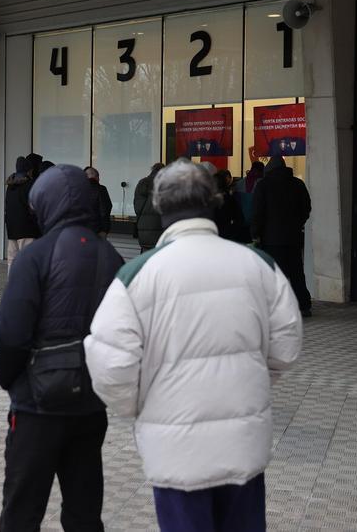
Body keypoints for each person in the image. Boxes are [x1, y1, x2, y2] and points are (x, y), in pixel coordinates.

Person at [84, 159, 302, 532]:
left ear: (160, 205)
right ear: (214, 202)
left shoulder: (136, 276)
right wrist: (250, 380)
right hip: (243, 446)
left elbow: (110, 365)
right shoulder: (258, 265)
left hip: (175, 451)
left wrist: (139, 406)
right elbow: (285, 346)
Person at [0, 164, 124, 531]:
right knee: (84, 511)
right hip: (90, 403)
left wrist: (12, 382)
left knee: (22, 509)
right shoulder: (110, 256)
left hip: (37, 404)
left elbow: (10, 332)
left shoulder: (35, 257)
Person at [251, 155, 313, 317]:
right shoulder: (298, 184)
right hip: (293, 237)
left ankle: (276, 306)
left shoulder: (263, 185)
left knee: (274, 274)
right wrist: (298, 224)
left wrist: (256, 233)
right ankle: (303, 305)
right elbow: (306, 208)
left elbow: (258, 212)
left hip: (271, 239)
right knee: (296, 272)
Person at [4, 156, 40, 267]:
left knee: (12, 260)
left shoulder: (10, 186)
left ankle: (12, 283)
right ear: (29, 170)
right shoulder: (30, 185)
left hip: (12, 228)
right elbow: (34, 207)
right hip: (27, 228)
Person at [133, 163, 163, 252]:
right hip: (160, 228)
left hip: (143, 227)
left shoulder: (142, 182)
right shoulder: (164, 184)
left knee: (145, 255)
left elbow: (137, 207)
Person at [213, 170, 247, 243]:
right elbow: (240, 219)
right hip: (227, 236)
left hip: (212, 236)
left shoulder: (206, 201)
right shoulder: (229, 199)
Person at [83, 166, 113, 238]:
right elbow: (105, 209)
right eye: (97, 175)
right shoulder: (101, 189)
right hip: (96, 230)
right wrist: (104, 230)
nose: (98, 178)